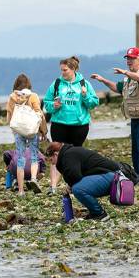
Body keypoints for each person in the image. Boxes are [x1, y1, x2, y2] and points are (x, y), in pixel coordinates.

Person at [91, 47, 139, 184]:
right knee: (136, 148)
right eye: (128, 59)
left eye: (132, 58)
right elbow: (117, 88)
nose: (129, 61)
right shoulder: (128, 79)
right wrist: (103, 80)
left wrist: (125, 72)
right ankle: (138, 176)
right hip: (136, 116)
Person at [44, 56, 100, 191]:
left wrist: (86, 96)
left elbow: (94, 103)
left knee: (74, 155)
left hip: (79, 126)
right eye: (61, 70)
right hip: (59, 124)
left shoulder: (84, 84)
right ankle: (53, 186)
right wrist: (54, 105)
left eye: (65, 70)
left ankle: (72, 185)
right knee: (55, 154)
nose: (62, 73)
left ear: (73, 69)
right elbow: (46, 103)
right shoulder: (56, 84)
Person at [47, 141, 130, 221]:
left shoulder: (68, 155)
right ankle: (95, 211)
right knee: (78, 187)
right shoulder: (70, 152)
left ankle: (99, 213)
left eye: (51, 160)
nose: (52, 164)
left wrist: (70, 186)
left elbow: (75, 175)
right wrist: (70, 185)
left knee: (78, 189)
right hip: (112, 176)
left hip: (115, 177)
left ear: (55, 154)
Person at [6, 74, 47, 195]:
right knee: (34, 156)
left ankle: (20, 190)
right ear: (29, 84)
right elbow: (39, 114)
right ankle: (33, 179)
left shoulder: (12, 97)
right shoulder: (33, 96)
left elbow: (9, 116)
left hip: (19, 131)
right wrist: (43, 130)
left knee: (20, 159)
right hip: (32, 130)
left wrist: (13, 128)